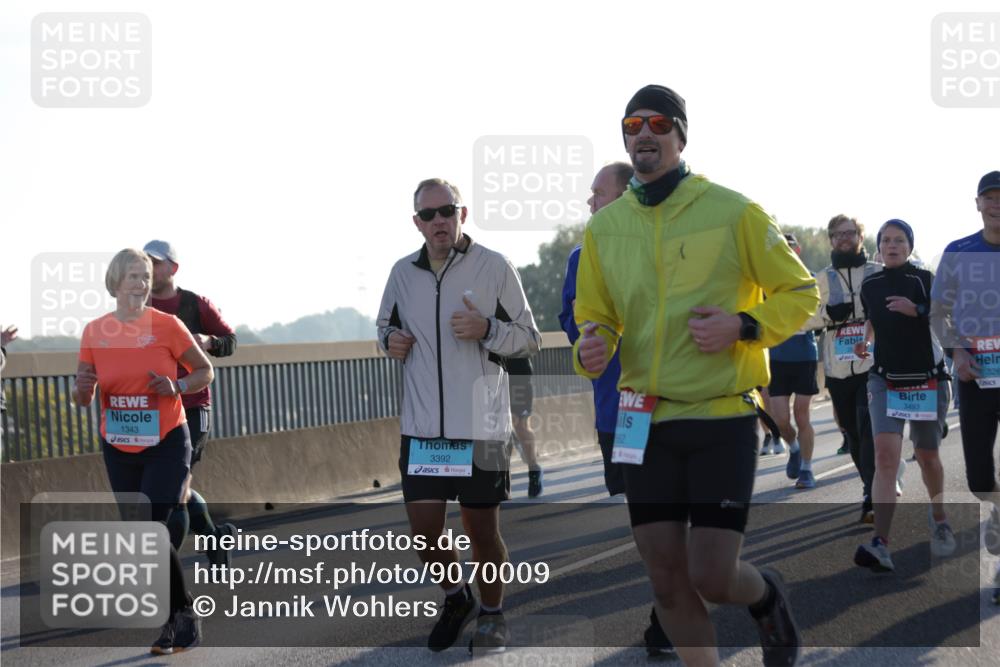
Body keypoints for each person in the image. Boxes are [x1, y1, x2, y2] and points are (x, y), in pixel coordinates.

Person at [575, 84, 817, 666]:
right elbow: (598, 314)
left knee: (711, 573)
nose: (644, 134)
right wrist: (595, 343)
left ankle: (766, 596)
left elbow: (801, 293)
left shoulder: (733, 211)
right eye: (633, 125)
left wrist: (743, 325)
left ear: (681, 135)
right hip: (644, 419)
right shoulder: (604, 230)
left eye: (659, 123)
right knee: (665, 581)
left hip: (720, 413)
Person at [376, 178, 541, 654]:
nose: (438, 221)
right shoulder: (402, 273)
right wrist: (390, 341)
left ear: (462, 214)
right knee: (425, 535)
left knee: (482, 533)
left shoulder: (494, 266)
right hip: (424, 429)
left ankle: (493, 613)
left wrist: (486, 328)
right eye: (428, 215)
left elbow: (529, 336)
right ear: (416, 223)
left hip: (482, 427)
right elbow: (384, 325)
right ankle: (456, 596)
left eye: (446, 211)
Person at [559, 160, 675, 657]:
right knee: (646, 517)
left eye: (597, 193)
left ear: (625, 195)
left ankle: (666, 616)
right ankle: (669, 601)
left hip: (674, 400)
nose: (589, 202)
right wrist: (589, 337)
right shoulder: (583, 255)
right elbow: (571, 315)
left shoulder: (669, 244)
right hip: (621, 408)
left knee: (673, 513)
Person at [73, 248, 214, 653]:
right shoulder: (95, 331)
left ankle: (176, 619)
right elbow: (84, 394)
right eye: (133, 276)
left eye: (146, 277)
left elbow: (206, 370)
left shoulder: (167, 326)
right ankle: (181, 615)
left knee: (152, 528)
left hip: (167, 440)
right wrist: (81, 391)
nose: (141, 283)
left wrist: (179, 387)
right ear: (115, 281)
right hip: (118, 444)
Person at [853, 219, 956, 573]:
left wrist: (918, 311)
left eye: (899, 240)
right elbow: (872, 317)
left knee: (927, 455)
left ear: (910, 246)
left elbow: (946, 318)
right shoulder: (870, 284)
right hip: (884, 380)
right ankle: (881, 543)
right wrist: (865, 340)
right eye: (886, 240)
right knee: (885, 457)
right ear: (879, 247)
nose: (892, 245)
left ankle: (939, 516)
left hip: (926, 379)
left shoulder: (925, 280)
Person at [143, 240, 238, 567]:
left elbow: (231, 341)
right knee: (169, 487)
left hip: (193, 406)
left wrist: (210, 341)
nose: (150, 269)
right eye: (145, 262)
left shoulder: (196, 305)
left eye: (155, 263)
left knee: (177, 485)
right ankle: (214, 535)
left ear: (173, 268)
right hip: (150, 410)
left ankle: (162, 572)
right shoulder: (136, 306)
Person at [931, 170, 1000, 604]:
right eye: (989, 198)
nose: (997, 205)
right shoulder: (958, 251)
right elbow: (939, 313)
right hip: (975, 373)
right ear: (978, 204)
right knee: (978, 476)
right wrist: (957, 353)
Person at [802, 214, 880, 521]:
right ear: (831, 240)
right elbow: (802, 317)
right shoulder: (821, 278)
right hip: (837, 367)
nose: (843, 239)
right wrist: (827, 314)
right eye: (837, 234)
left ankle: (874, 495)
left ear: (861, 237)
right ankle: (869, 484)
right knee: (853, 433)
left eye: (850, 233)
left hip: (874, 363)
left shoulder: (877, 272)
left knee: (869, 427)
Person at [767, 235, 819, 489]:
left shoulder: (807, 277)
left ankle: (807, 470)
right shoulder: (765, 280)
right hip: (776, 357)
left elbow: (819, 313)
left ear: (797, 250)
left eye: (789, 248)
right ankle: (795, 448)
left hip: (804, 355)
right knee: (780, 420)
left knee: (802, 414)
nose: (785, 252)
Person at [504, 356, 543, 497]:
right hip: (491, 378)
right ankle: (502, 478)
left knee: (521, 426)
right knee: (496, 429)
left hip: (518, 377)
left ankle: (533, 469)